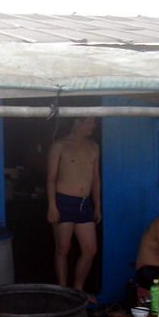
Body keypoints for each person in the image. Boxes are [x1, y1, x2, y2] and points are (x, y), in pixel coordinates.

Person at [46, 117, 101, 302]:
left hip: (84, 203)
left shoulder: (93, 146)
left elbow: (96, 179)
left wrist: (97, 206)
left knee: (90, 249)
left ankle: (78, 289)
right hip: (63, 201)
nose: (93, 125)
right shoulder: (59, 146)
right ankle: (62, 291)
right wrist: (52, 206)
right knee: (63, 248)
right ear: (78, 122)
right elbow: (51, 178)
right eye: (90, 122)